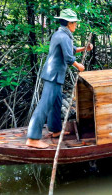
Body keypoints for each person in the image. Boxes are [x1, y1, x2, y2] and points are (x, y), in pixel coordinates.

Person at [26, 9, 93, 149]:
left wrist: (84, 49)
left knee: (56, 102)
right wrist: (78, 66)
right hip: (53, 75)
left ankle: (55, 130)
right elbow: (69, 58)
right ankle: (32, 138)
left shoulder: (62, 34)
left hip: (56, 75)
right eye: (75, 23)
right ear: (69, 23)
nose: (76, 25)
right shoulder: (63, 36)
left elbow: (71, 49)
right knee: (44, 104)